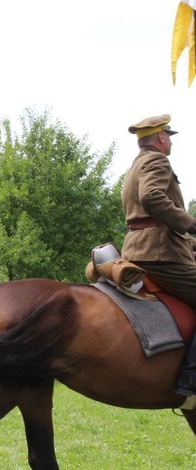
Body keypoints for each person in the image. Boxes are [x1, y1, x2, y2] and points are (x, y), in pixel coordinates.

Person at [121, 114, 196, 396]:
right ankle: (191, 376)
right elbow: (151, 198)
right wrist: (191, 223)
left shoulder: (136, 165)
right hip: (160, 253)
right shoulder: (157, 160)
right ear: (162, 137)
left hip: (143, 247)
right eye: (170, 137)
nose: (171, 143)